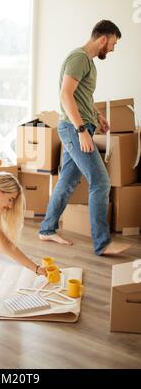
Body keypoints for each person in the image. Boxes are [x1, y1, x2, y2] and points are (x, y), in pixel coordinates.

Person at [39, 20, 131, 256]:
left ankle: (47, 229)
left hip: (78, 127)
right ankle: (102, 243)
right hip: (73, 129)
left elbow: (81, 96)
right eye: (113, 43)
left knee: (67, 182)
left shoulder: (87, 62)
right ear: (103, 39)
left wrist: (96, 115)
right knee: (100, 182)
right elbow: (65, 94)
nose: (112, 49)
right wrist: (81, 131)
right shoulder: (79, 58)